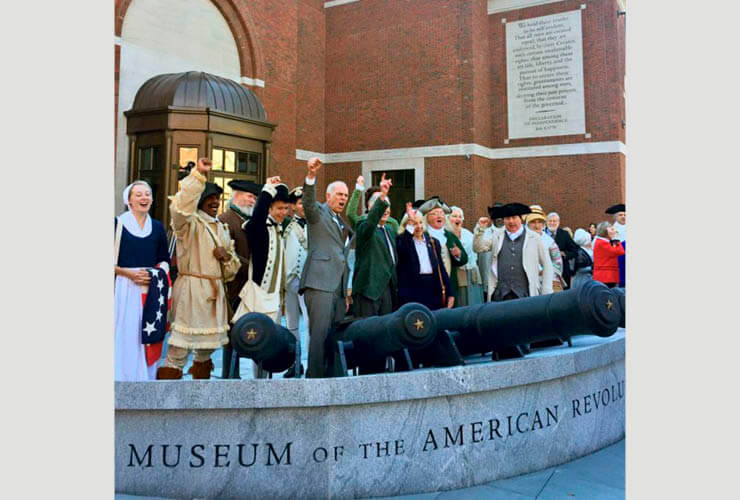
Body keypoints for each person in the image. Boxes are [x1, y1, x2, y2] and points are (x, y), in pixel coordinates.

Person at [157, 158, 241, 380]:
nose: (215, 202)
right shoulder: (189, 224)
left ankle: (200, 395)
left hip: (214, 295)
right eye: (210, 198)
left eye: (217, 199)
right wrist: (197, 176)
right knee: (179, 348)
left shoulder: (221, 228)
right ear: (200, 200)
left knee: (206, 351)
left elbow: (232, 270)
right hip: (192, 292)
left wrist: (226, 258)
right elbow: (180, 208)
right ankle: (165, 397)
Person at [231, 177, 291, 378]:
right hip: (257, 294)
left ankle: (262, 380)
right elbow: (257, 216)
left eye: (286, 209)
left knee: (268, 344)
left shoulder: (281, 228)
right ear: (270, 208)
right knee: (249, 337)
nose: (284, 213)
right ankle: (233, 376)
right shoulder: (258, 227)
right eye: (280, 208)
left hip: (273, 297)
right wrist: (267, 190)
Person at [299, 157, 352, 378]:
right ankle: (315, 380)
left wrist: (346, 291)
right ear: (328, 196)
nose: (343, 198)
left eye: (346, 196)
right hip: (319, 283)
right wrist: (311, 176)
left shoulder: (342, 222)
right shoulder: (318, 213)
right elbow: (308, 204)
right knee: (319, 335)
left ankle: (332, 377)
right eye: (339, 194)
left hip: (338, 289)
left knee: (333, 335)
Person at [114, 181, 171, 381]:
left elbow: (164, 259)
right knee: (126, 331)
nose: (144, 198)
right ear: (128, 200)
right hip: (124, 288)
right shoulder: (116, 225)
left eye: (147, 194)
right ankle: (122, 375)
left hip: (151, 289)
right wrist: (127, 273)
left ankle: (145, 376)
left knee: (145, 333)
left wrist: (155, 273)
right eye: (138, 195)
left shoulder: (156, 227)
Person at [217, 179, 262, 379]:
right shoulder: (226, 219)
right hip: (232, 287)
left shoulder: (249, 221)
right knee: (232, 335)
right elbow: (228, 254)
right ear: (236, 196)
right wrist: (253, 266)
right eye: (249, 196)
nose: (252, 201)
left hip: (249, 287)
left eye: (254, 197)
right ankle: (230, 375)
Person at [474, 203, 553, 302]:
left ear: (521, 219)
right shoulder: (497, 236)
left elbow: (547, 264)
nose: (511, 221)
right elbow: (478, 248)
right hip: (500, 294)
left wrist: (546, 291)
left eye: (514, 217)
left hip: (526, 294)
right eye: (507, 218)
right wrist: (480, 230)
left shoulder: (534, 238)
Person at [352, 173, 398, 317]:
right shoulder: (363, 225)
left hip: (387, 289)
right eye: (383, 205)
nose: (386, 209)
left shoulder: (389, 230)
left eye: (388, 205)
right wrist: (382, 196)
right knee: (368, 332)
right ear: (371, 207)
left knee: (385, 331)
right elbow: (370, 223)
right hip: (369, 290)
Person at [396, 203, 454, 310]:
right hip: (412, 292)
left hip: (433, 289)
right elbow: (403, 250)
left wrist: (450, 293)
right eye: (414, 224)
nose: (418, 227)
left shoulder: (433, 242)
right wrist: (410, 224)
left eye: (420, 223)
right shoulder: (402, 241)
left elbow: (441, 268)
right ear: (406, 226)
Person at [418, 197, 468, 301]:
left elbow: (464, 259)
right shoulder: (423, 236)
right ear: (427, 218)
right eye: (435, 213)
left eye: (441, 213)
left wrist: (458, 255)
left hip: (450, 286)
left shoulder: (450, 236)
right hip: (428, 286)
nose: (439, 216)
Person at [283, 186, 309, 378]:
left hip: (307, 281)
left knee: (309, 323)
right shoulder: (285, 225)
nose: (304, 206)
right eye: (300, 203)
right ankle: (295, 362)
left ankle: (309, 362)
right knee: (291, 323)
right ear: (292, 206)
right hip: (289, 280)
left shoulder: (316, 224)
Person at [447, 206, 483, 306]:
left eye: (460, 216)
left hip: (472, 274)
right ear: (448, 218)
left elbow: (477, 250)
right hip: (457, 275)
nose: (458, 219)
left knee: (474, 303)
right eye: (454, 216)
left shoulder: (468, 234)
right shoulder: (445, 235)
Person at [524, 205, 565, 292]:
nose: (536, 225)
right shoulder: (522, 240)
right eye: (533, 222)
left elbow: (557, 262)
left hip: (549, 282)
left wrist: (547, 272)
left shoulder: (549, 241)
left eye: (539, 222)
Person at [544, 212, 581, 289]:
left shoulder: (564, 234)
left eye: (554, 221)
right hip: (544, 270)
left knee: (562, 296)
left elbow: (575, 250)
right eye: (550, 221)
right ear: (546, 222)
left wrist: (564, 254)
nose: (552, 223)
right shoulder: (541, 234)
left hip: (562, 271)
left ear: (558, 222)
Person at [476, 203, 503, 302]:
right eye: (496, 215)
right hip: (487, 281)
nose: (499, 218)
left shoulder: (509, 233)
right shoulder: (483, 233)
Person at [592, 221, 625, 288]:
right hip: (606, 276)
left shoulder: (604, 242)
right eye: (611, 229)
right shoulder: (602, 243)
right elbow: (620, 251)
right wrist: (615, 238)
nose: (614, 231)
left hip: (607, 276)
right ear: (605, 231)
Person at [605, 204, 626, 287]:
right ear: (615, 217)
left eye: (625, 215)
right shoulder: (612, 230)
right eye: (620, 215)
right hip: (620, 263)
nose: (623, 217)